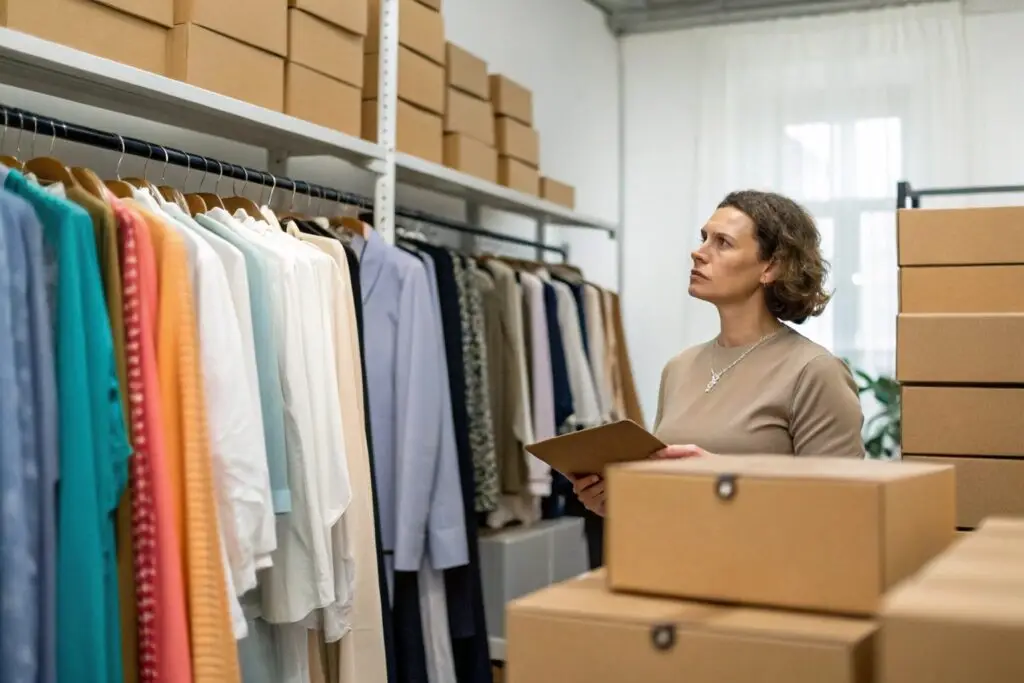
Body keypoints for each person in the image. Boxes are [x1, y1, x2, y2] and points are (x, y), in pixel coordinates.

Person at [574, 190, 865, 517]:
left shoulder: (815, 371)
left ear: (771, 266)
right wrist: (622, 500)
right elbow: (673, 498)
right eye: (704, 239)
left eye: (723, 242)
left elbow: (840, 508)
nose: (698, 253)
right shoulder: (679, 368)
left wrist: (727, 482)